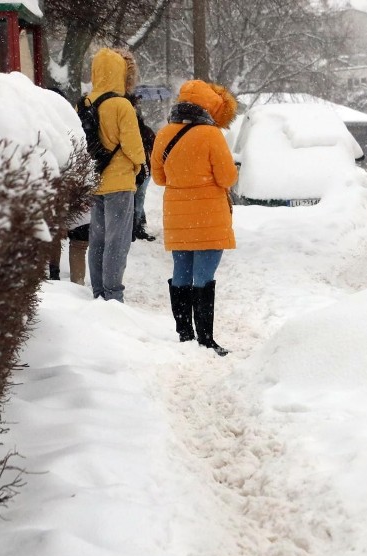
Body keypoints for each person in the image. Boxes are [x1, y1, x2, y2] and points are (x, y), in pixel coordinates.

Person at [151, 80, 238, 356]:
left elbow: (159, 177)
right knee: (203, 276)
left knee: (181, 273)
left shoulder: (164, 134)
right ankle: (206, 338)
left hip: (177, 217)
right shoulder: (212, 136)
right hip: (209, 217)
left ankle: (184, 335)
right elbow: (226, 177)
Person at [84, 47, 146, 302]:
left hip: (95, 178)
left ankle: (98, 290)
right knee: (117, 241)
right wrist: (139, 166)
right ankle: (113, 294)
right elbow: (134, 147)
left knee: (97, 239)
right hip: (119, 181)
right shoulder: (121, 104)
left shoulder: (86, 101)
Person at [130, 95, 157, 242]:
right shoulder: (145, 131)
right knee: (138, 198)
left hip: (137, 169)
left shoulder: (138, 130)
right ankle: (137, 225)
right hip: (144, 169)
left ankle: (136, 224)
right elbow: (155, 149)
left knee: (136, 197)